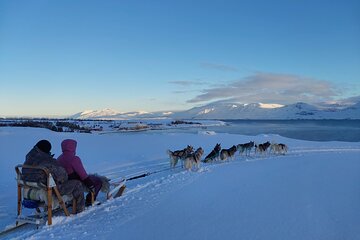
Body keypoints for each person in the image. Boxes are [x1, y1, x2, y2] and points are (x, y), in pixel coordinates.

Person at [23, 140, 85, 213]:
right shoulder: (48, 161)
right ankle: (80, 210)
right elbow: (62, 176)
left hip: (30, 188)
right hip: (48, 189)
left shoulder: (29, 157)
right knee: (77, 184)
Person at [57, 139, 103, 206]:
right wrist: (90, 185)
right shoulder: (74, 158)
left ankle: (73, 200)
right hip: (76, 182)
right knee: (98, 181)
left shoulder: (59, 158)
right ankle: (90, 200)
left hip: (65, 183)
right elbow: (83, 174)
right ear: (73, 147)